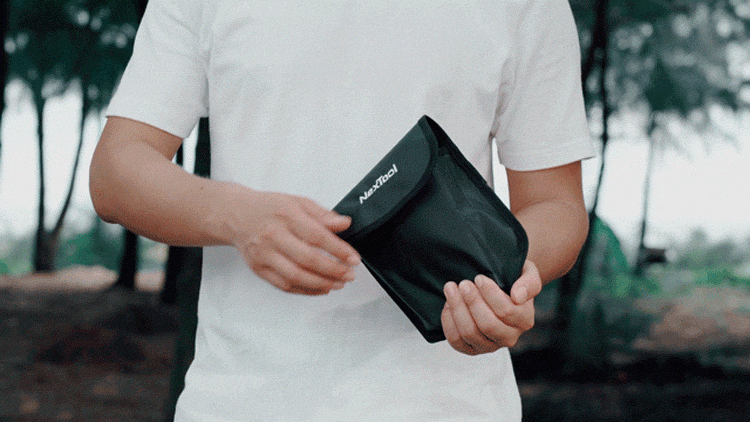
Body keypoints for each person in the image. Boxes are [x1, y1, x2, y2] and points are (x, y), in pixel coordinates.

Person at [89, 0, 595, 420]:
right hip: (240, 403)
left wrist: (506, 280)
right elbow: (116, 171)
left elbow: (555, 204)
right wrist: (239, 217)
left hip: (450, 406)